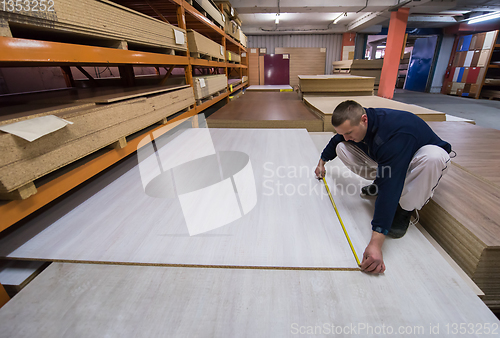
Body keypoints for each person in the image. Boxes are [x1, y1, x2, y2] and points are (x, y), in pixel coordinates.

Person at [315, 100, 452, 274]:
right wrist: (322, 163)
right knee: (342, 147)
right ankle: (378, 182)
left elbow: (391, 187)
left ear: (364, 119)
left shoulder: (393, 134)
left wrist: (376, 242)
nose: (347, 136)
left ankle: (404, 210)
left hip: (419, 160)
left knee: (433, 158)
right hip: (391, 158)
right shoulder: (361, 124)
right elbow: (337, 140)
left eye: (349, 132)